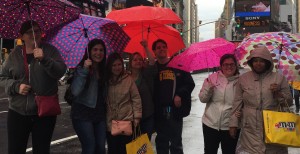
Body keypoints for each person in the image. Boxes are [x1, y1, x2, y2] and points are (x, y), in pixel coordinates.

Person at [0, 20, 67, 154]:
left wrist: (45, 59)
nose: (34, 34)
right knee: (15, 150)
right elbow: (2, 77)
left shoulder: (50, 50)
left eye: (37, 31)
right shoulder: (14, 55)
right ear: (21, 36)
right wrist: (16, 86)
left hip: (44, 113)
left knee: (42, 150)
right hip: (18, 112)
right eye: (29, 32)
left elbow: (60, 71)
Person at [229, 46, 293, 154]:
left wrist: (278, 93)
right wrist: (233, 124)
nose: (258, 64)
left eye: (262, 61)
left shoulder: (279, 78)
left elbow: (289, 102)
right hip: (250, 128)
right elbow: (237, 102)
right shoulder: (243, 79)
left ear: (268, 62)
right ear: (251, 62)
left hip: (274, 127)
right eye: (255, 61)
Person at [144, 39, 195, 154]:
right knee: (161, 142)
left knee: (176, 143)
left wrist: (179, 94)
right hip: (159, 112)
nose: (161, 49)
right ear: (154, 52)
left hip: (175, 111)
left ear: (167, 49)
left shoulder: (177, 64)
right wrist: (145, 47)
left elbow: (189, 83)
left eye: (163, 47)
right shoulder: (153, 68)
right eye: (158, 48)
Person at [70, 39, 107, 154]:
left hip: (99, 114)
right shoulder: (81, 68)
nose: (98, 53)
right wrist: (85, 70)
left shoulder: (104, 70)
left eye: (101, 50)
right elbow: (75, 91)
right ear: (89, 52)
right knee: (90, 147)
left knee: (101, 147)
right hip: (82, 113)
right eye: (95, 49)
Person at [199, 54, 240, 154]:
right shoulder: (212, 78)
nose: (229, 67)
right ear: (221, 66)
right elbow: (203, 99)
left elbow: (244, 102)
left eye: (232, 64)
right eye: (225, 64)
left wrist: (240, 114)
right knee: (209, 151)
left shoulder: (241, 81)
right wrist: (208, 89)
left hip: (230, 126)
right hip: (210, 124)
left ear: (236, 66)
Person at [105, 52, 142, 154]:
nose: (117, 67)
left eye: (119, 64)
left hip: (126, 122)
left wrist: (137, 117)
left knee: (125, 150)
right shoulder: (106, 81)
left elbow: (136, 99)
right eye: (114, 65)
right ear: (109, 66)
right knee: (112, 150)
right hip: (110, 123)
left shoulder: (128, 79)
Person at [128, 49, 156, 140]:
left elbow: (152, 61)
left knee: (144, 144)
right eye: (135, 59)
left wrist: (145, 46)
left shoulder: (146, 74)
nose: (138, 61)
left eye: (140, 59)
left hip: (147, 115)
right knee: (132, 144)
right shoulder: (126, 77)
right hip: (131, 117)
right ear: (130, 62)